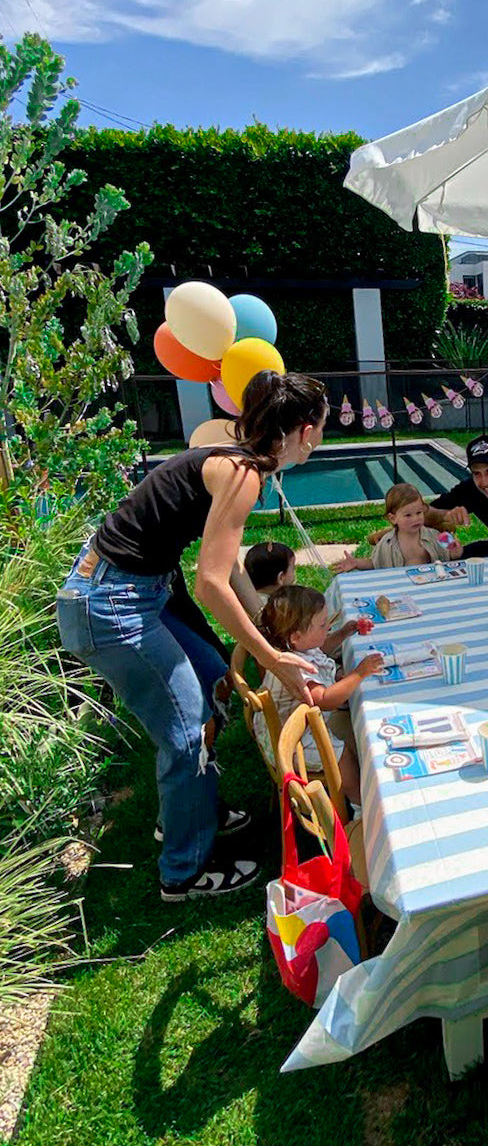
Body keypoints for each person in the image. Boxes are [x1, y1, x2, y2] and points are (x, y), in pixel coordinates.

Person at [56, 370, 330, 903]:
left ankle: (190, 808)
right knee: (184, 734)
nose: (322, 436)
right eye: (322, 425)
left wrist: (266, 622)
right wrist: (270, 655)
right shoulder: (242, 472)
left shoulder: (237, 458)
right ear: (304, 430)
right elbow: (209, 582)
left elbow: (226, 568)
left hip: (139, 591)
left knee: (215, 684)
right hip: (109, 604)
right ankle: (182, 873)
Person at [259, 586, 382, 806]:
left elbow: (321, 648)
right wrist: (359, 673)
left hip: (294, 724)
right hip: (294, 741)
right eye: (323, 625)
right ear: (296, 637)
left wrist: (343, 633)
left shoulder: (294, 647)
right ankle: (358, 804)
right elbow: (325, 700)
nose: (329, 626)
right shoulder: (294, 668)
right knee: (344, 758)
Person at [332, 482, 461, 573]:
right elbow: (376, 563)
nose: (415, 518)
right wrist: (357, 563)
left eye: (419, 513)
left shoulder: (435, 536)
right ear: (393, 518)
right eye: (408, 515)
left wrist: (456, 552)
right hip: (402, 590)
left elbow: (451, 558)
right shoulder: (387, 543)